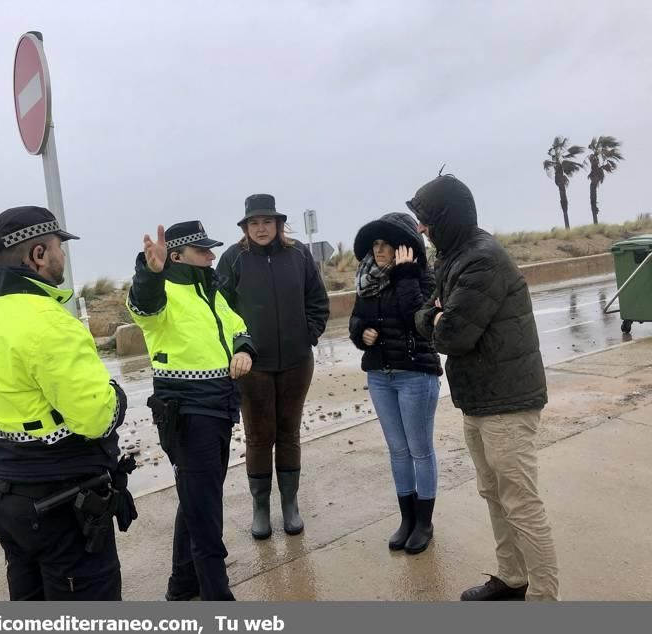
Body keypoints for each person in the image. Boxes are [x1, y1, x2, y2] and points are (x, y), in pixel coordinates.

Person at [0, 206, 131, 601]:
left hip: (5, 497)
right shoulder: (50, 323)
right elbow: (96, 418)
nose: (63, 256)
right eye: (58, 247)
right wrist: (117, 395)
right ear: (37, 255)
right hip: (61, 504)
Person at [408, 175, 559, 601]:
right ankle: (512, 578)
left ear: (448, 217)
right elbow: (426, 315)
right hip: (478, 399)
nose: (421, 228)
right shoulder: (454, 256)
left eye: (426, 219)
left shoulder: (482, 259)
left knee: (521, 503)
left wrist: (437, 318)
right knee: (493, 493)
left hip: (508, 401)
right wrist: (434, 316)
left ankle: (546, 601)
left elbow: (452, 334)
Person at [127, 220, 255, 601]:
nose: (212, 256)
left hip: (219, 406)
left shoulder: (210, 291)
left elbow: (237, 326)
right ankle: (218, 597)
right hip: (186, 411)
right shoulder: (163, 291)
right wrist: (150, 271)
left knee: (197, 497)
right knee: (205, 509)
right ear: (177, 255)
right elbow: (144, 305)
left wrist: (245, 348)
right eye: (203, 251)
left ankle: (182, 584)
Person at [217, 194, 329, 539]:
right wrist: (239, 349)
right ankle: (261, 508)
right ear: (246, 227)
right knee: (258, 436)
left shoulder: (298, 254)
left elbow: (317, 300)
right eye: (254, 223)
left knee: (289, 432)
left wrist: (308, 334)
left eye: (267, 222)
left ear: (279, 224)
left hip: (296, 362)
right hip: (254, 366)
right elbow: (220, 311)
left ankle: (290, 505)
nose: (261, 228)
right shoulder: (233, 259)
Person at [349, 212, 443, 554]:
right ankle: (406, 519)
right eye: (375, 244)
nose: (379, 250)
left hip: (415, 374)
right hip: (379, 375)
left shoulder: (423, 278)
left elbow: (418, 320)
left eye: (386, 244)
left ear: (403, 248)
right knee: (398, 450)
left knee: (420, 450)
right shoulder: (367, 279)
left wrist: (404, 275)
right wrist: (361, 334)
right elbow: (356, 319)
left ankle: (424, 522)